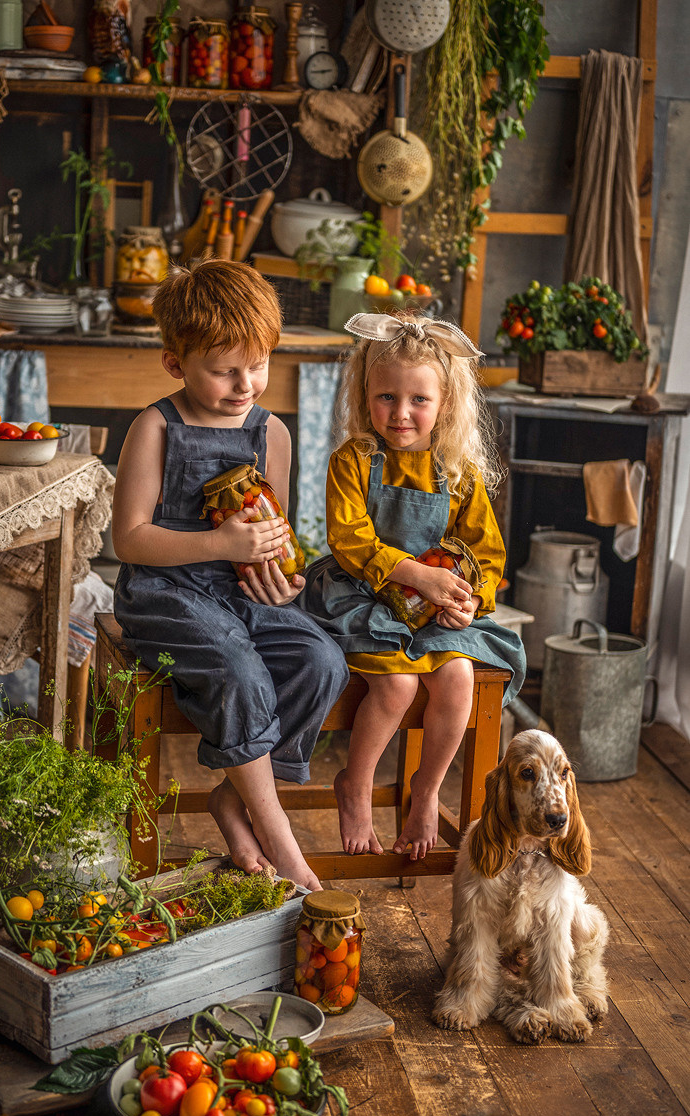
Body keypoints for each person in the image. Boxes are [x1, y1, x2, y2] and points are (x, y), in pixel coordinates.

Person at [112, 260, 349, 891]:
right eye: (224, 371)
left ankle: (232, 798)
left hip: (241, 593)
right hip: (164, 594)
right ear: (175, 364)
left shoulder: (272, 433)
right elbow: (129, 538)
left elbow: (276, 534)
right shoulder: (155, 427)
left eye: (259, 365)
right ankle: (278, 834)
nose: (246, 385)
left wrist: (284, 579)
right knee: (238, 667)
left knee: (321, 660)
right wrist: (218, 542)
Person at [299, 311, 526, 862]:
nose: (401, 413)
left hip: (432, 610)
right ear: (365, 395)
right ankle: (355, 784)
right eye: (386, 397)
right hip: (361, 595)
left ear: (445, 403)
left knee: (458, 678)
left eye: (418, 400)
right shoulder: (355, 459)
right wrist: (416, 574)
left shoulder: (458, 471)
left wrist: (469, 601)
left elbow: (487, 556)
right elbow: (350, 540)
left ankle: (426, 791)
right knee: (397, 686)